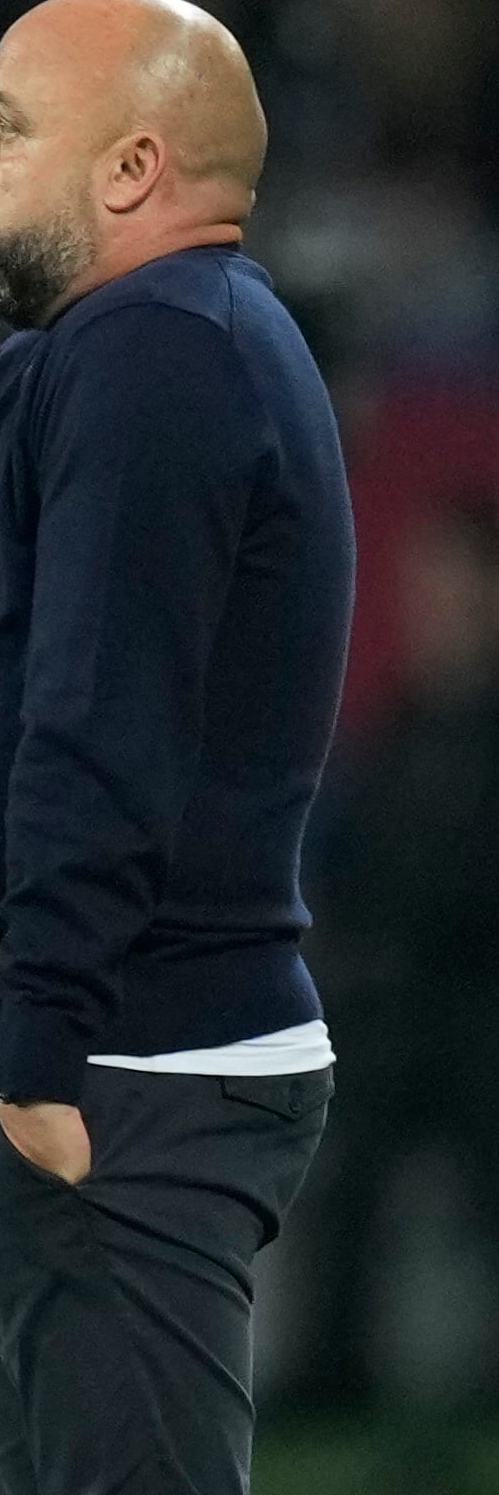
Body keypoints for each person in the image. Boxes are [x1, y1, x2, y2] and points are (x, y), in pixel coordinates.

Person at [0, 0, 351, 1495]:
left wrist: (41, 1043)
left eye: (3, 125)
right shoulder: (95, 352)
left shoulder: (163, 352)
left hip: (121, 1057)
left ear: (132, 170)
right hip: (86, 1051)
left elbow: (101, 715)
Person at [284, 494, 499, 1440]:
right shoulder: (401, 730)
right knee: (334, 1133)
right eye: (428, 590)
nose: (439, 610)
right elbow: (350, 871)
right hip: (397, 1009)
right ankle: (331, 1372)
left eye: (460, 589)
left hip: (479, 1007)